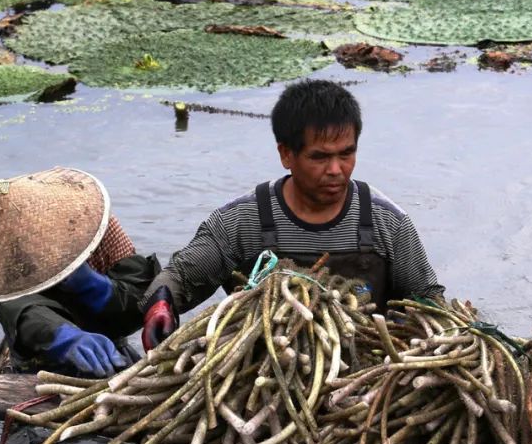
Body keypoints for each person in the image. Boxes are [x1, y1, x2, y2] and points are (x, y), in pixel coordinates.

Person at [142, 79, 444, 350]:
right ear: (286, 154)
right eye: (320, 157)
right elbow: (178, 277)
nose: (336, 170)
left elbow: (429, 300)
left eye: (346, 153)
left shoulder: (387, 223)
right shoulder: (241, 222)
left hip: (363, 366)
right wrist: (160, 306)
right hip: (263, 368)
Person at [0, 167, 160, 378]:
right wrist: (65, 337)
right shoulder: (7, 261)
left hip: (111, 351)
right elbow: (23, 312)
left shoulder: (93, 223)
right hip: (44, 367)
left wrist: (96, 286)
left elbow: (140, 295)